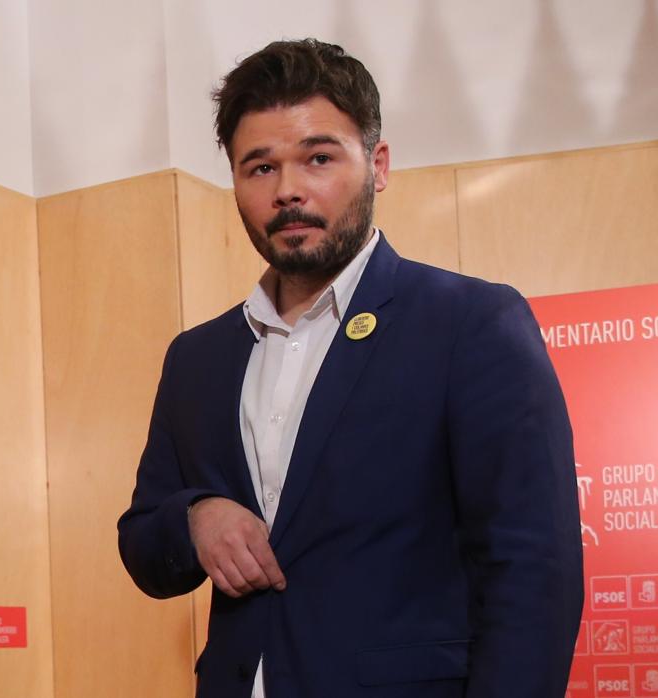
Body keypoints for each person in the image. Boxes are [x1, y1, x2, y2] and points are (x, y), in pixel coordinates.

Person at [118, 39, 583, 697]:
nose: (287, 191)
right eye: (258, 167)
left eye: (317, 158)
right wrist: (193, 520)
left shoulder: (470, 323)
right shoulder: (196, 357)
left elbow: (533, 569)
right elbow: (143, 544)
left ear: (377, 164)